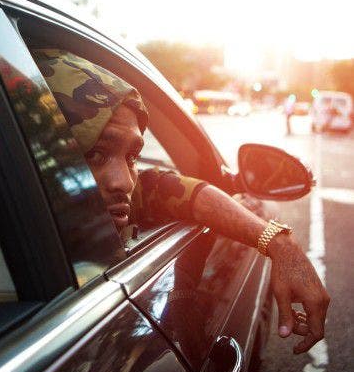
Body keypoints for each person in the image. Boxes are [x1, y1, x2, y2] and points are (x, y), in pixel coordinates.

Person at [38, 49, 330, 355]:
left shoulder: (114, 194)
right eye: (94, 154)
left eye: (131, 157)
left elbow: (175, 190)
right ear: (44, 152)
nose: (124, 182)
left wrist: (280, 243)